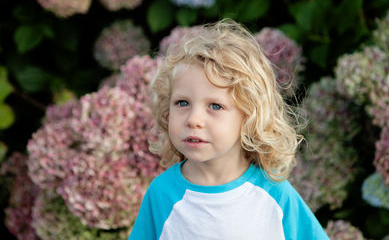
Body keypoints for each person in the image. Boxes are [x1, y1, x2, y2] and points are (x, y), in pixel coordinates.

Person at [129, 19, 329, 240]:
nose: (194, 119)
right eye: (182, 103)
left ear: (249, 117)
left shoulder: (275, 195)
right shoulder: (161, 194)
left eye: (215, 106)